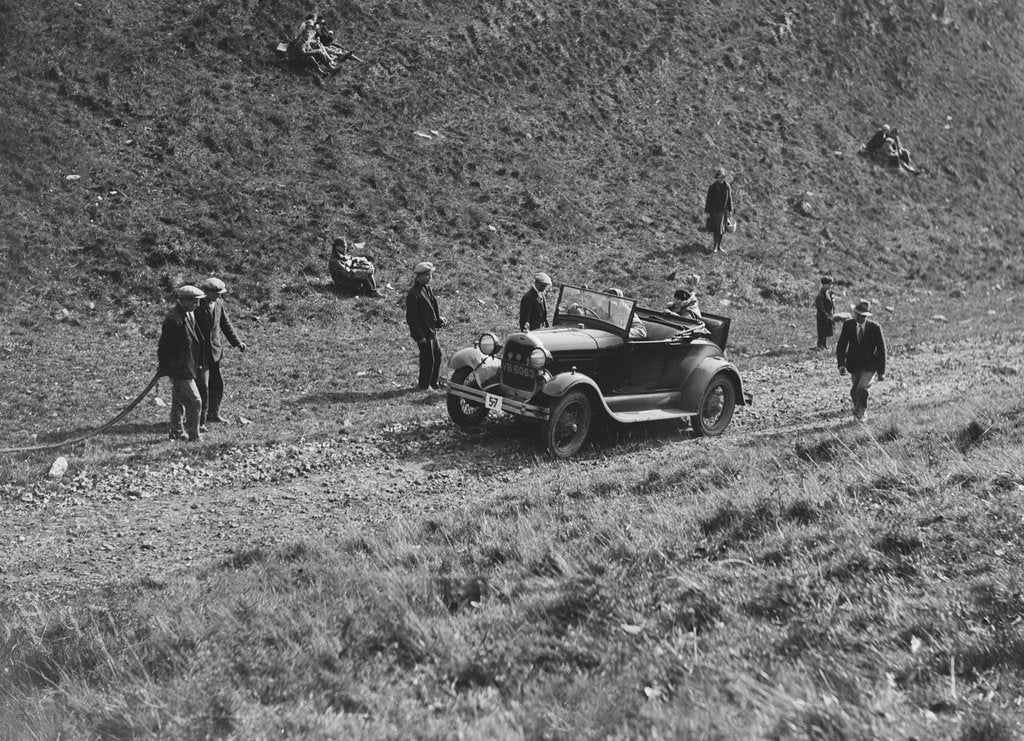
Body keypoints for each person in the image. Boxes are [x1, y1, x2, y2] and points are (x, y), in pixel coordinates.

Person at [195, 277, 247, 429]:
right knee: (202, 387)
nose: (219, 296)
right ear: (206, 292)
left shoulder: (218, 304)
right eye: (216, 293)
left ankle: (214, 414)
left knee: (217, 384)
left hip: (215, 351)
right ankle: (200, 421)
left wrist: (237, 342)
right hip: (199, 353)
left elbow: (225, 323)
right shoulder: (196, 306)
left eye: (220, 294)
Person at [157, 286, 207, 442]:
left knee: (178, 401)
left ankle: (176, 432)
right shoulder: (174, 319)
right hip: (180, 369)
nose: (197, 305)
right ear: (183, 301)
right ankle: (194, 435)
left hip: (189, 366)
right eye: (194, 302)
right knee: (195, 401)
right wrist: (169, 369)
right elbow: (164, 348)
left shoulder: (188, 314)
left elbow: (195, 341)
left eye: (199, 301)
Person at [836, 299, 887, 422]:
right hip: (854, 365)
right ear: (855, 314)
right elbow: (841, 345)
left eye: (863, 316)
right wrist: (841, 364)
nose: (860, 318)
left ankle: (861, 412)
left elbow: (882, 350)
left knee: (862, 389)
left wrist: (881, 372)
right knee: (854, 391)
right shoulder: (848, 325)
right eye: (858, 315)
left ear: (867, 316)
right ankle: (859, 412)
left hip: (870, 365)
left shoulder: (875, 328)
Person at [405, 261, 447, 392]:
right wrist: (419, 336)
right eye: (428, 275)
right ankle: (424, 385)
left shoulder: (427, 288)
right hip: (423, 332)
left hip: (431, 330)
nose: (430, 278)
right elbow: (411, 318)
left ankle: (433, 382)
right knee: (427, 359)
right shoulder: (413, 294)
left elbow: (431, 307)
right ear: (420, 276)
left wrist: (438, 319)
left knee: (437, 355)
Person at [704, 167, 733, 254]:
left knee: (722, 229)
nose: (720, 179)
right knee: (717, 229)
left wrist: (730, 210)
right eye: (718, 177)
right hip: (715, 211)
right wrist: (708, 212)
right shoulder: (712, 187)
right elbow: (708, 200)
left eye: (722, 177)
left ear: (724, 177)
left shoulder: (727, 186)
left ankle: (719, 246)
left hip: (723, 211)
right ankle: (715, 246)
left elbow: (729, 199)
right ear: (717, 177)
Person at [813, 275, 836, 350]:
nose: (830, 286)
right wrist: (826, 316)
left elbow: (831, 304)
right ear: (824, 284)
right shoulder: (820, 296)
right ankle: (819, 345)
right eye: (829, 284)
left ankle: (824, 345)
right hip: (822, 316)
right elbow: (820, 308)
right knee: (822, 331)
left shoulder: (828, 293)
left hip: (828, 314)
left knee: (827, 331)